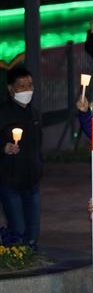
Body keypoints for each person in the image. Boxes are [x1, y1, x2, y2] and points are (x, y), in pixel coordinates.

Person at [0, 67, 42, 247]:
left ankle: (31, 262)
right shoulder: (3, 113)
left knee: (33, 230)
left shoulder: (34, 114)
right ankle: (16, 265)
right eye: (22, 86)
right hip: (10, 181)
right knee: (17, 228)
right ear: (11, 89)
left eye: (30, 86)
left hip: (32, 181)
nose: (27, 90)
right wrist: (4, 147)